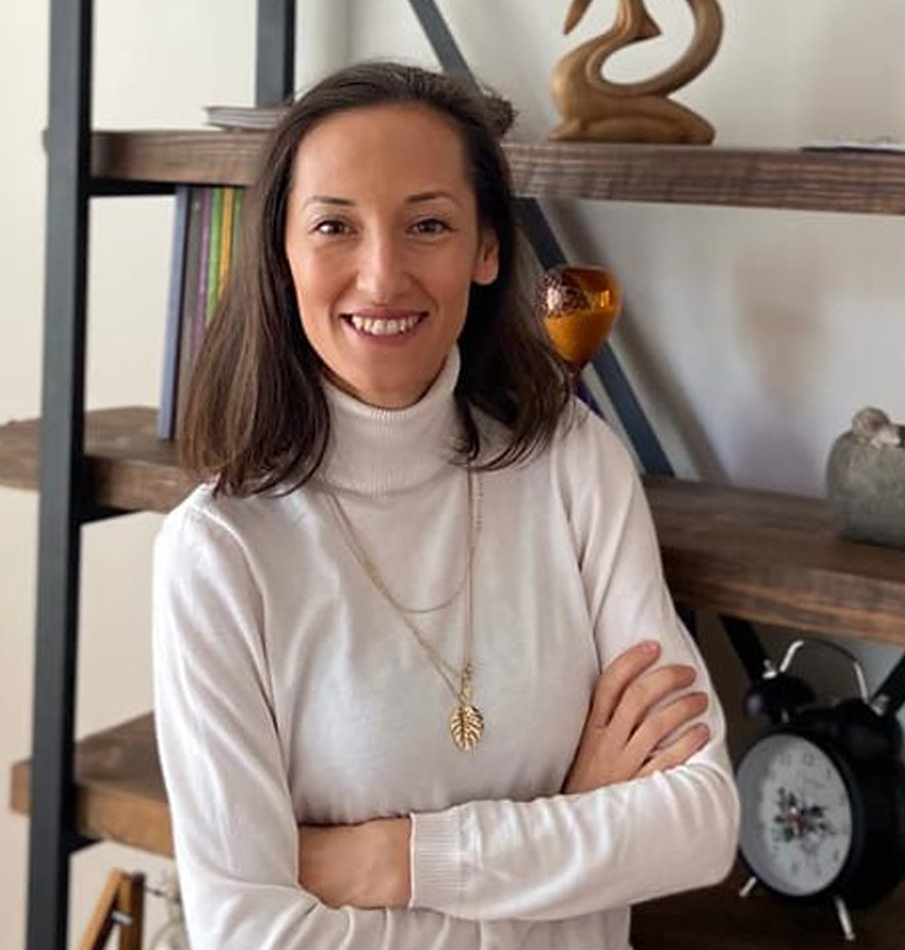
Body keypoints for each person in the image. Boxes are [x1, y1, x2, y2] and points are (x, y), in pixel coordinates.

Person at [152, 60, 739, 950]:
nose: (382, 276)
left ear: (486, 249)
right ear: (281, 252)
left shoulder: (572, 463)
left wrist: (393, 861)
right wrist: (572, 821)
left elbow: (697, 824)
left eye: (427, 224)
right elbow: (248, 933)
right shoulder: (219, 549)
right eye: (334, 226)